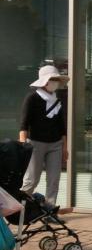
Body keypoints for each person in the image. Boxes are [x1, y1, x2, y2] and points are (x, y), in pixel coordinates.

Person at [19, 65, 69, 211]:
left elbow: (62, 127)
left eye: (57, 80)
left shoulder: (57, 100)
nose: (55, 82)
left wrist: (65, 147)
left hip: (55, 144)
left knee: (54, 180)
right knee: (31, 180)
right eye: (52, 79)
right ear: (44, 81)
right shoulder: (32, 98)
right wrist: (23, 147)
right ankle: (18, 210)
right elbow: (24, 124)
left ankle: (50, 211)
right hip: (35, 144)